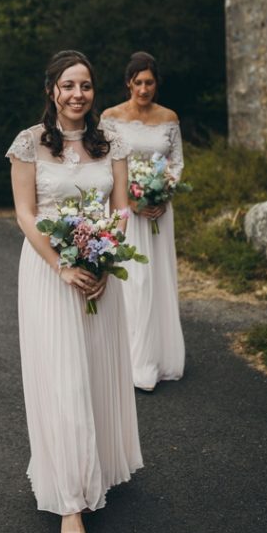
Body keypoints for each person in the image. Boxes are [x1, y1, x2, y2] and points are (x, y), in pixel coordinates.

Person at [6, 50, 142, 533]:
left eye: (85, 85)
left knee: (94, 368)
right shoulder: (28, 144)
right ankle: (69, 499)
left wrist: (103, 261)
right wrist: (63, 264)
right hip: (49, 272)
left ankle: (96, 466)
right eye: (68, 85)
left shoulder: (114, 143)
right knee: (61, 377)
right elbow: (24, 213)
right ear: (52, 91)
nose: (77, 94)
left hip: (101, 273)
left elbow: (121, 208)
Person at [100, 52, 186, 390]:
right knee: (132, 282)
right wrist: (131, 200)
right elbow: (105, 162)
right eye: (138, 82)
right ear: (128, 83)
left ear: (156, 84)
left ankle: (157, 356)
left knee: (157, 279)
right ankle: (129, 360)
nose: (144, 88)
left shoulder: (169, 118)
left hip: (158, 214)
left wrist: (163, 194)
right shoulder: (110, 117)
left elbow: (176, 163)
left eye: (150, 82)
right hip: (125, 211)